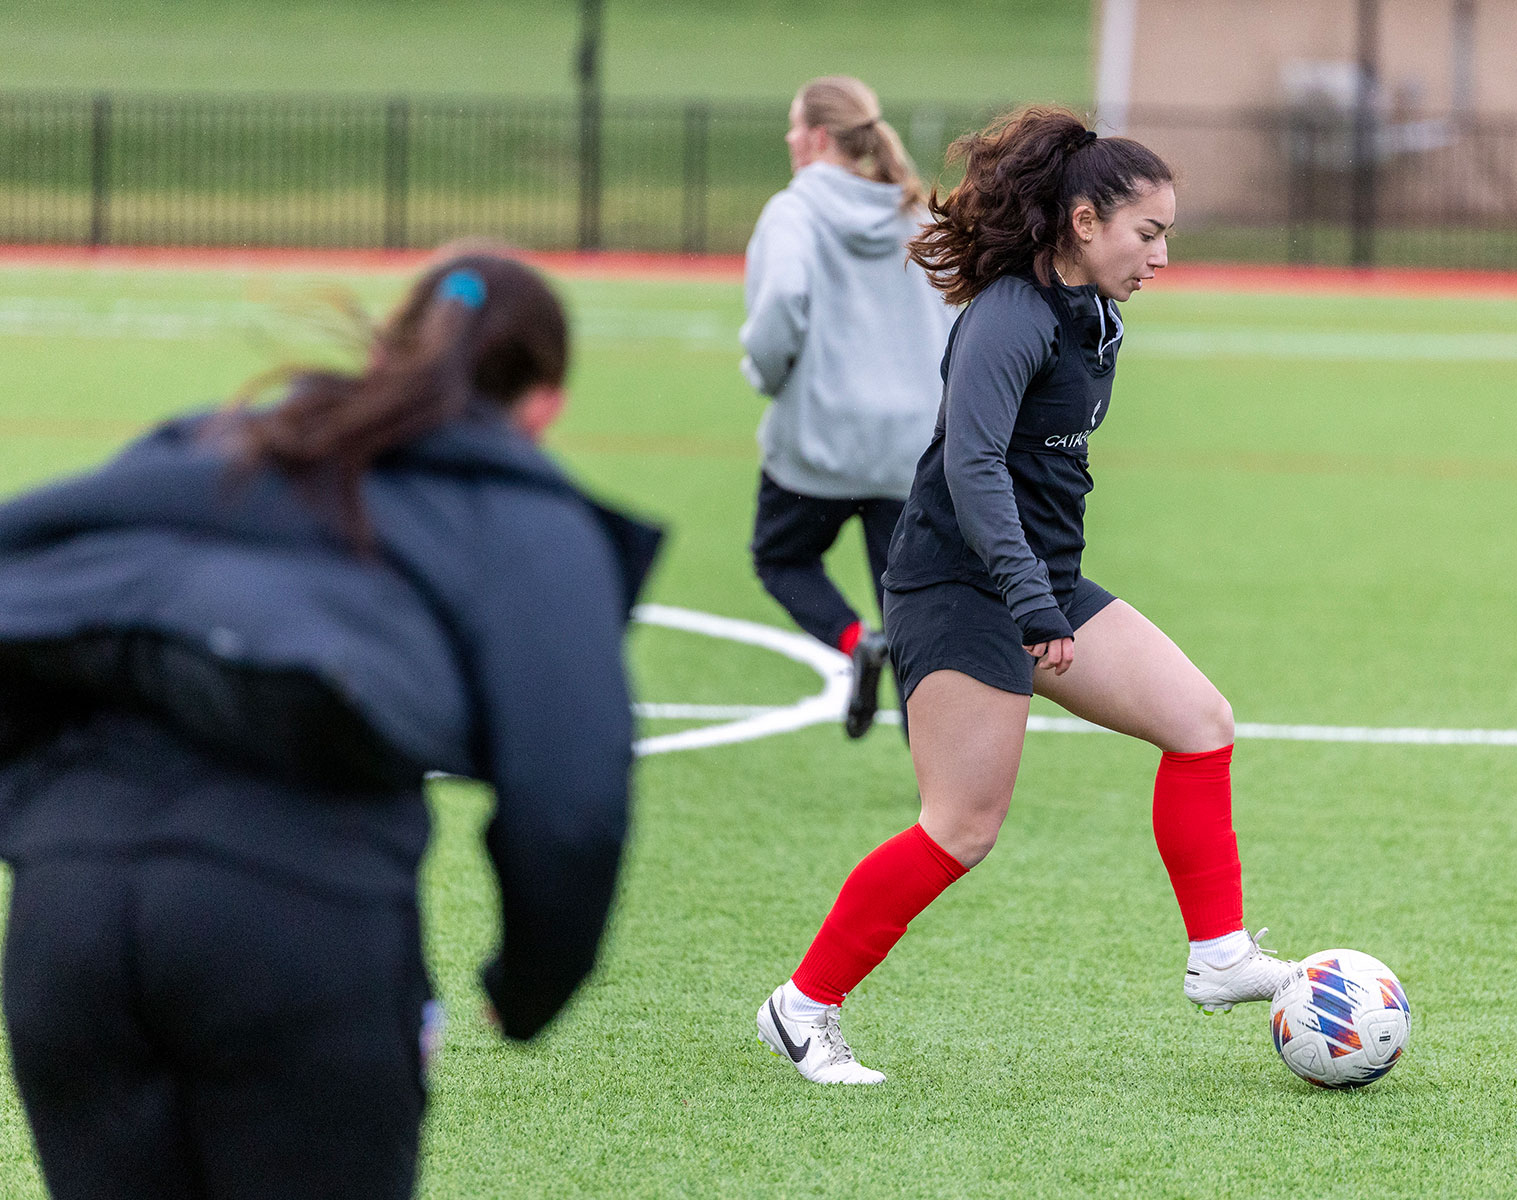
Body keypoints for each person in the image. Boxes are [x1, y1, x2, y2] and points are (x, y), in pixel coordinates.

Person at [0, 251, 662, 1196]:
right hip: (294, 914)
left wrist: (45, 831)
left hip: (69, 917)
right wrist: (527, 987)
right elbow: (571, 800)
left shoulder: (214, 441)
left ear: (392, 351)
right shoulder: (520, 513)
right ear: (544, 405)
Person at [753, 108, 1296, 1085]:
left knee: (1200, 722)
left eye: (1168, 233)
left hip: (1037, 582)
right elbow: (969, 465)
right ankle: (801, 1008)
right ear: (1083, 221)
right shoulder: (1006, 318)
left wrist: (1045, 596)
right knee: (960, 827)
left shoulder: (1093, 311)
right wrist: (1032, 607)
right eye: (1148, 231)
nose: (1161, 254)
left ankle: (1216, 957)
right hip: (956, 588)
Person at [739, 75, 953, 739]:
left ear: (820, 137)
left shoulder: (793, 212)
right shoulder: (916, 212)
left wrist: (765, 374)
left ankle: (855, 639)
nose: (787, 137)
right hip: (910, 443)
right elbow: (956, 309)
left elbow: (778, 308)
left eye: (795, 125)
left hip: (818, 440)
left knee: (781, 558)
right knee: (913, 602)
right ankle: (939, 765)